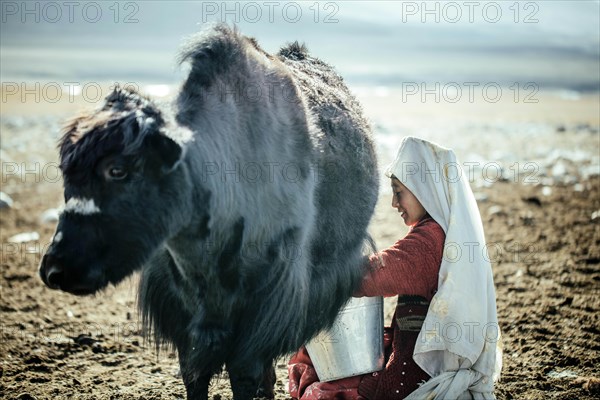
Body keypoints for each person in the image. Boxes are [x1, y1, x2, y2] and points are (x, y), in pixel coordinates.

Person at [288, 136, 502, 399]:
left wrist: (318, 271)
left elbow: (373, 276)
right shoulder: (443, 232)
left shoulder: (429, 241)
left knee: (319, 389)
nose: (394, 203)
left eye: (399, 191)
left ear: (425, 189)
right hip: (422, 354)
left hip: (419, 371)